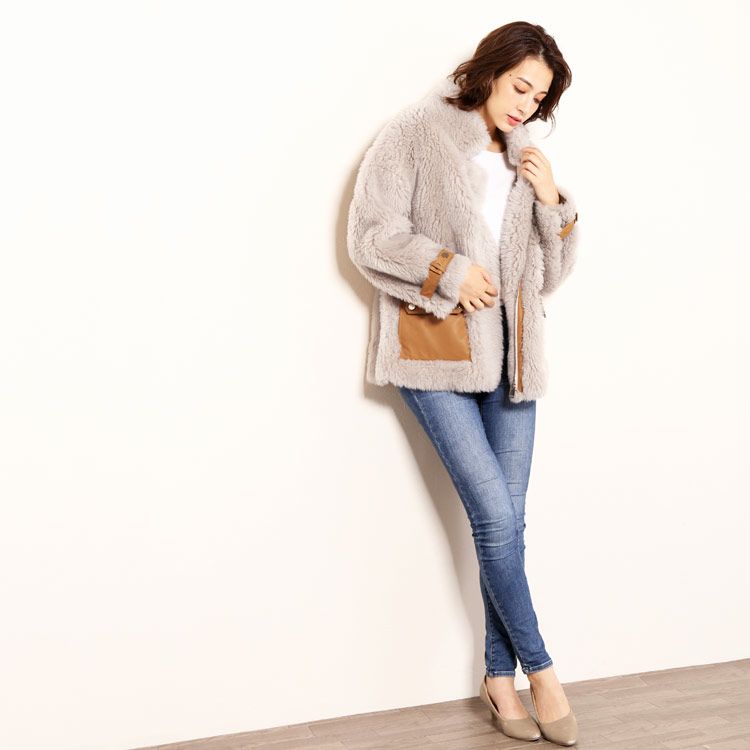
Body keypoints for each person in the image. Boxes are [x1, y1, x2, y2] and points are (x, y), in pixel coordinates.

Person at [346, 22, 580, 747]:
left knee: (506, 524)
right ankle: (542, 671)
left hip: (513, 362)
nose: (525, 106)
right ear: (490, 70)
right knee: (496, 521)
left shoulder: (523, 157)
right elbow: (369, 234)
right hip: (437, 356)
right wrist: (447, 269)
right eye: (519, 88)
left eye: (538, 99)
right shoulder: (415, 133)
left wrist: (553, 203)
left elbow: (550, 276)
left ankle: (498, 681)